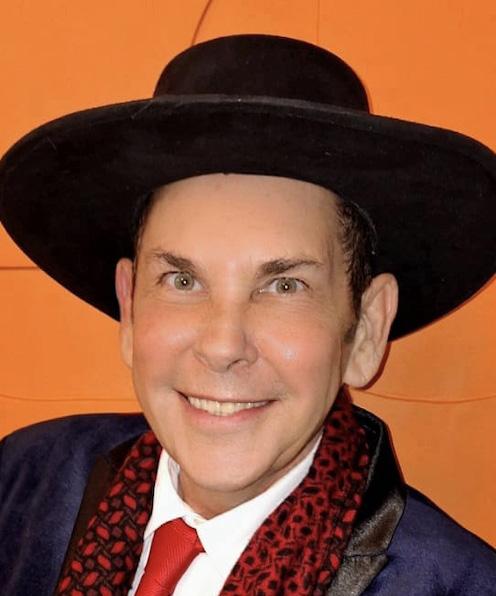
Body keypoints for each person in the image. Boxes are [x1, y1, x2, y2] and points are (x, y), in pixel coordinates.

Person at [0, 34, 495, 596]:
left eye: (284, 286)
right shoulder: (23, 485)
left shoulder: (453, 584)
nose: (222, 346)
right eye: (182, 280)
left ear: (365, 330)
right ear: (131, 309)